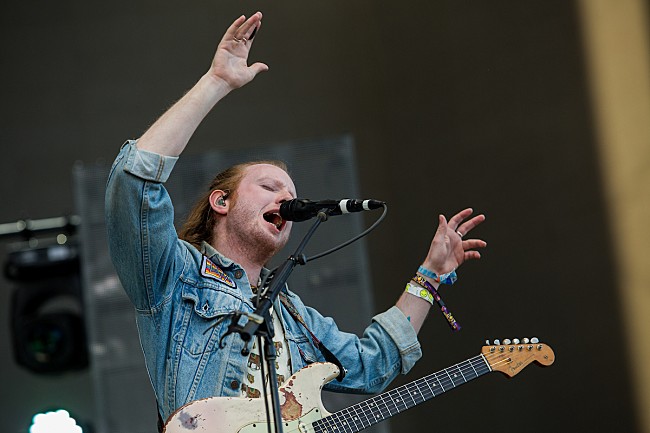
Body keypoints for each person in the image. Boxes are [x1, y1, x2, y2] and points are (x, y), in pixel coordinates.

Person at [105, 11, 487, 428]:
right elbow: (134, 181)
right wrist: (216, 83)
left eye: (292, 194)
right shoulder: (174, 274)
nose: (288, 199)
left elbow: (374, 364)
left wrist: (430, 275)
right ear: (221, 202)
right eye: (270, 187)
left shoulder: (292, 315)